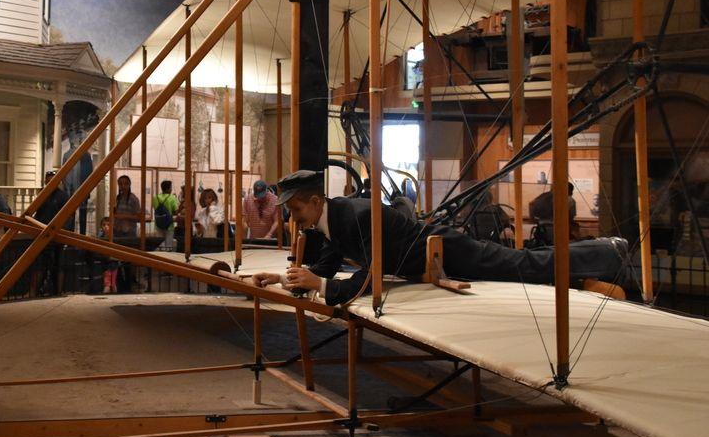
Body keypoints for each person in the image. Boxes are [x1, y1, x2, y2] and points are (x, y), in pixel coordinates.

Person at [252, 170, 628, 306]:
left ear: (315, 201)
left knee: (521, 265)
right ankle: (589, 266)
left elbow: (371, 275)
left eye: (296, 209)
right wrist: (287, 278)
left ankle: (606, 252)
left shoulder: (355, 216)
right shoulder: (333, 218)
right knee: (523, 266)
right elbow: (329, 264)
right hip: (433, 259)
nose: (292, 217)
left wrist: (319, 285)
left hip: (447, 250)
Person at [33, 171, 72, 296]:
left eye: (52, 181)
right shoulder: (42, 195)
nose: (50, 183)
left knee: (59, 264)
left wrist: (64, 232)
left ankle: (58, 291)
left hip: (57, 235)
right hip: (43, 234)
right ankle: (36, 291)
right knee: (40, 264)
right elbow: (37, 213)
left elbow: (68, 216)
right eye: (48, 181)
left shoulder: (63, 196)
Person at [152, 180, 179, 249]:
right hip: (169, 225)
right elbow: (176, 211)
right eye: (170, 187)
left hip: (158, 224)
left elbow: (155, 208)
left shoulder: (156, 197)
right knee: (168, 246)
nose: (171, 189)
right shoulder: (172, 198)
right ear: (168, 188)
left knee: (160, 245)